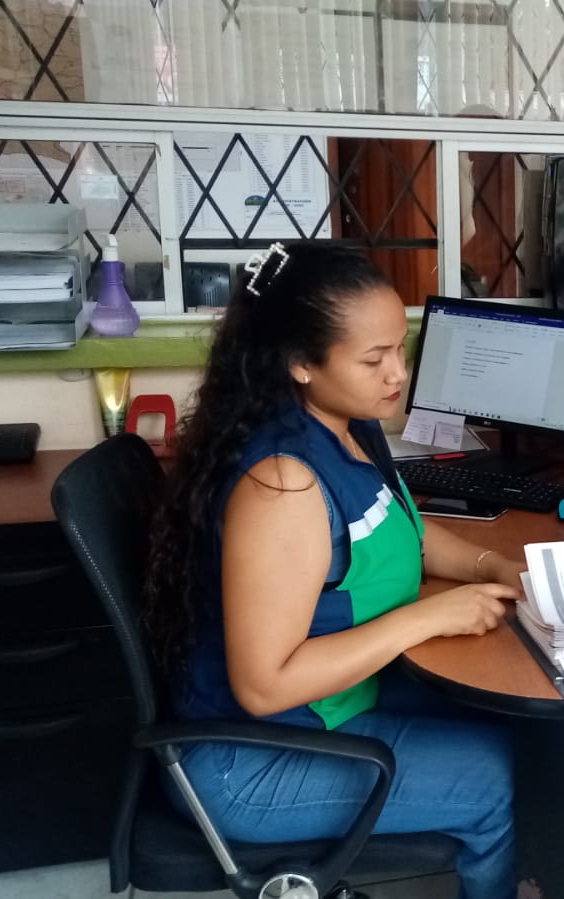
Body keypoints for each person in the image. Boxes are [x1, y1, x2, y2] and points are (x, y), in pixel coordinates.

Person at [146, 243, 522, 899]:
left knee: (513, 719)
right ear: (300, 363)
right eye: (374, 359)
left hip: (329, 706)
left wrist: (495, 565)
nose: (397, 373)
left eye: (400, 349)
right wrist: (426, 617)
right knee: (492, 777)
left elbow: (402, 531)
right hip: (250, 758)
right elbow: (264, 686)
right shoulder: (283, 484)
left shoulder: (348, 424)